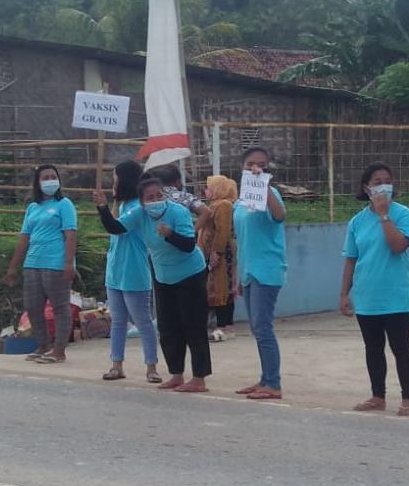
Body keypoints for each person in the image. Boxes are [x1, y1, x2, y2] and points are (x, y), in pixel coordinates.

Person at [99, 177, 211, 393]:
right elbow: (115, 227)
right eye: (149, 197)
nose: (155, 200)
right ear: (141, 202)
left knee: (193, 326)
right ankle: (176, 374)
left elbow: (188, 245)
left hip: (190, 274)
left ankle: (199, 378)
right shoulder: (139, 214)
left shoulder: (178, 212)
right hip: (163, 275)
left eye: (159, 195)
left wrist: (170, 234)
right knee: (168, 328)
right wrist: (102, 206)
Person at [340, 162, 409, 417]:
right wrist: (344, 294)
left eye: (387, 180)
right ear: (366, 188)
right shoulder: (357, 222)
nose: (383, 186)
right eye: (376, 182)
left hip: (395, 295)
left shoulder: (403, 214)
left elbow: (398, 246)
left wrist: (384, 215)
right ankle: (377, 395)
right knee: (373, 348)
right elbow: (351, 259)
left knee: (400, 347)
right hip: (366, 295)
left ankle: (408, 399)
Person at [92, 160, 161, 383]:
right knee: (119, 321)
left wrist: (102, 207)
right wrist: (110, 203)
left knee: (143, 322)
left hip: (133, 272)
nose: (114, 183)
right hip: (115, 271)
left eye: (116, 179)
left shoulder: (138, 208)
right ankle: (116, 364)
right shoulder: (123, 205)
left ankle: (151, 366)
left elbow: (115, 227)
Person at [5, 165, 78, 364]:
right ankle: (43, 344)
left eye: (53, 177)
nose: (50, 181)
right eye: (45, 177)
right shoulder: (33, 208)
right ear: (38, 182)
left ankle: (59, 350)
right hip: (33, 263)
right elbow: (24, 238)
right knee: (33, 307)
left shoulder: (64, 204)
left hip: (55, 263)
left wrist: (69, 263)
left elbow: (70, 235)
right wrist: (13, 266)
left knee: (60, 307)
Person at [232, 147, 287, 400]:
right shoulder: (241, 201)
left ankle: (273, 383)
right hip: (249, 271)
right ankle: (265, 378)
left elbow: (279, 215)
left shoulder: (270, 193)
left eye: (262, 165)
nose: (256, 169)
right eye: (251, 164)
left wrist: (264, 186)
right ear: (242, 167)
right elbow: (241, 240)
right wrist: (238, 276)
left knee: (263, 327)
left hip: (267, 269)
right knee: (257, 327)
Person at [200, 174, 238, 342]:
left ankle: (224, 325)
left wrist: (217, 251)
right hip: (211, 251)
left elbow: (223, 230)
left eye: (209, 187)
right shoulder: (214, 204)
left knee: (222, 287)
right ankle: (220, 324)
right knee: (214, 287)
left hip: (221, 253)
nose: (206, 190)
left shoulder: (224, 205)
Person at [147, 163, 213, 230]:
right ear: (178, 182)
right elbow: (206, 212)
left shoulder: (150, 199)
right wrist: (192, 232)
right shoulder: (185, 197)